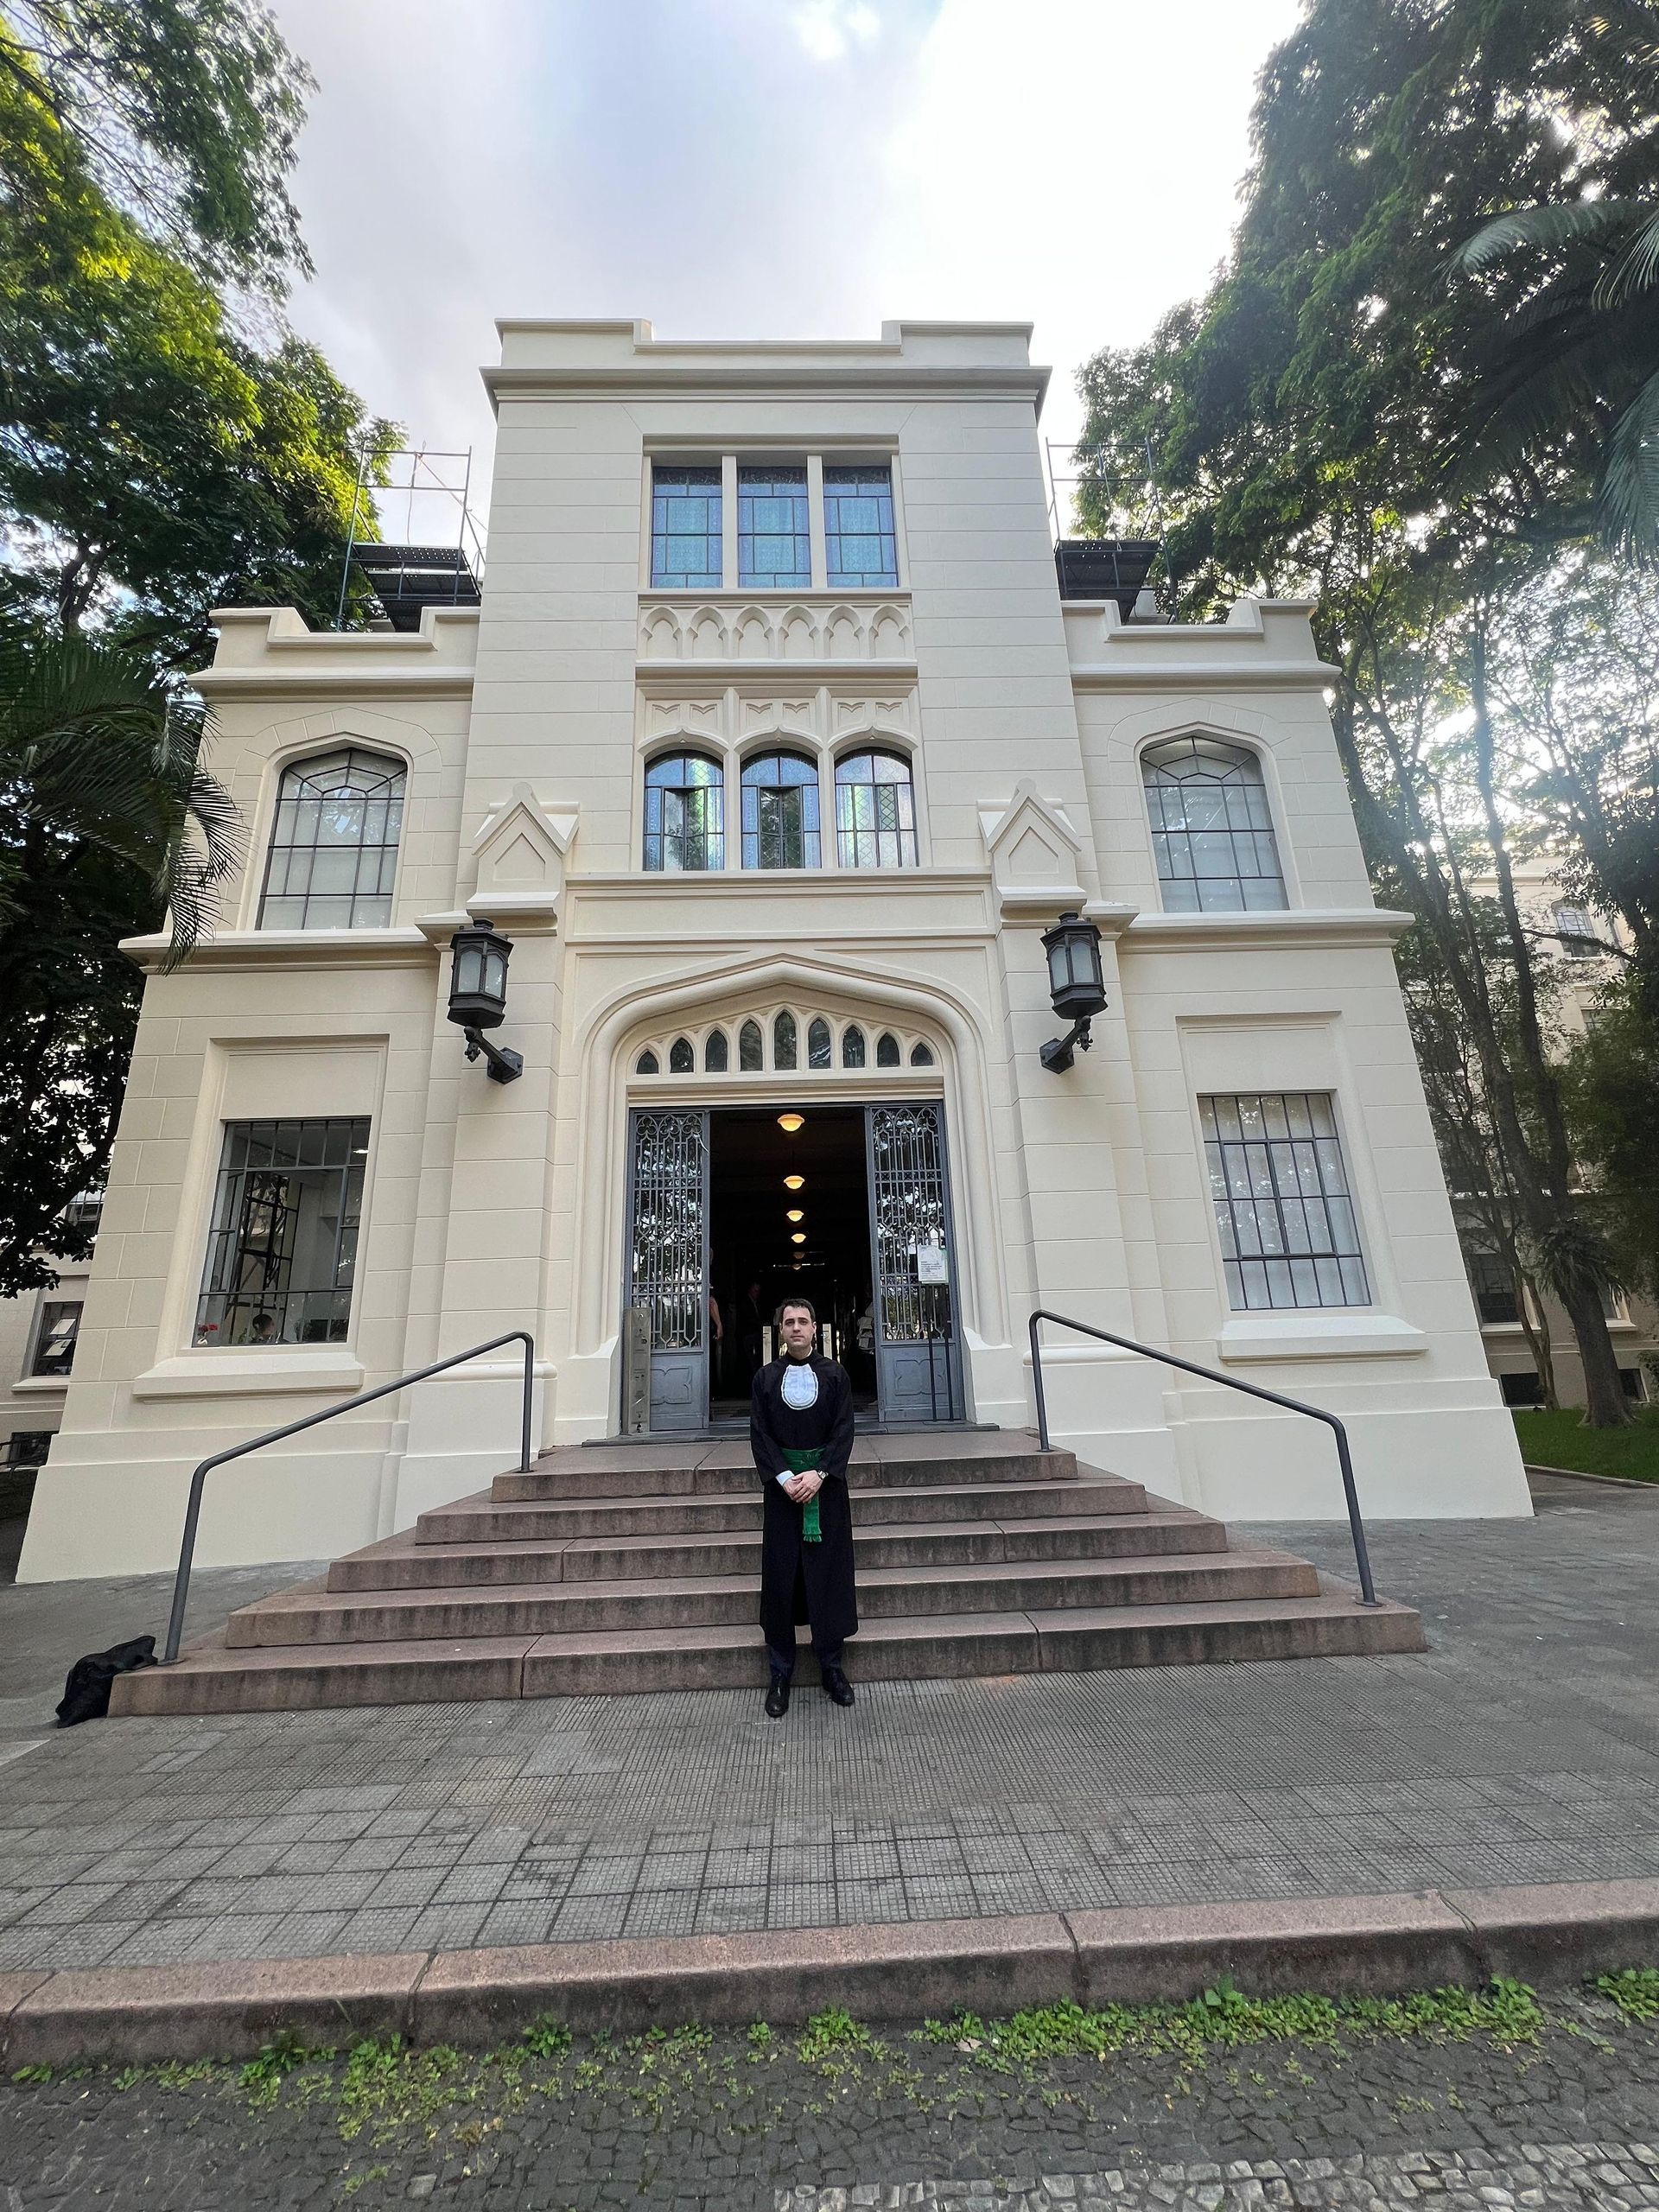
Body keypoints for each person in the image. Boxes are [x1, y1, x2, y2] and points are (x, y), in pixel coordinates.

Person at [749, 1295, 857, 1717]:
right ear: (780, 1330)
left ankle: (831, 1667)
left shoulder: (835, 1375)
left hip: (825, 1490)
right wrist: (783, 1477)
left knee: (827, 1575)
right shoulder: (764, 1379)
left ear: (815, 1328)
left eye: (803, 1321)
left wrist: (820, 1474)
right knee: (782, 1580)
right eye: (789, 1322)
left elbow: (843, 1430)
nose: (796, 1328)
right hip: (783, 1493)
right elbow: (760, 1434)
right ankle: (780, 1672)